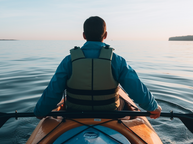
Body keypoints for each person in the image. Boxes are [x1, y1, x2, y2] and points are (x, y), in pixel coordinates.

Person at [34, 16, 162, 119]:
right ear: (105, 35)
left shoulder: (68, 61)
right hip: (110, 114)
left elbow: (53, 92)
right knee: (124, 100)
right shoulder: (117, 60)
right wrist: (153, 107)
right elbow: (136, 88)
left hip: (75, 115)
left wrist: (40, 112)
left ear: (84, 35)